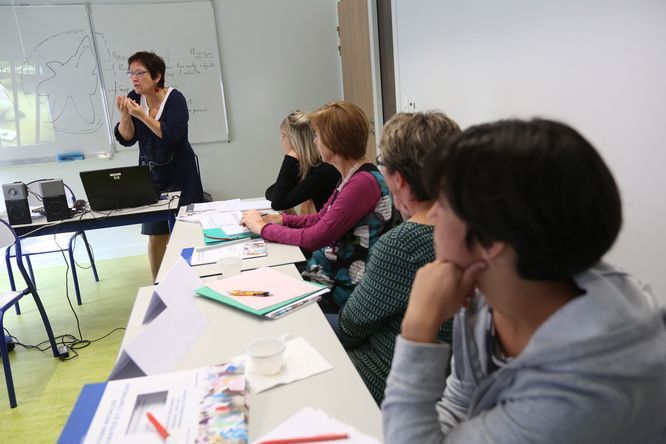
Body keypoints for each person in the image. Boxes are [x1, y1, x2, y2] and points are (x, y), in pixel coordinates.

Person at [382, 119, 666, 443]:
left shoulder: (580, 392)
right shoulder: (489, 289)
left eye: (443, 205)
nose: (432, 215)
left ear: (490, 241)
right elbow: (461, 402)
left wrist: (419, 328)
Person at [332, 111, 460, 405]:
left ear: (398, 178)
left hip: (387, 376)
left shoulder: (403, 244)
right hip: (446, 379)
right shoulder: (472, 228)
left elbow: (351, 327)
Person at [242, 101, 392, 311]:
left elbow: (315, 237)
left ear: (333, 141)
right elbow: (321, 218)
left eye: (317, 135)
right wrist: (282, 219)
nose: (314, 141)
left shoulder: (362, 183)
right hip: (329, 271)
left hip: (340, 287)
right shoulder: (351, 177)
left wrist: (262, 228)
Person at [114, 51, 204, 281]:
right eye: (131, 73)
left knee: (186, 233)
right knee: (155, 235)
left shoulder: (174, 99)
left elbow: (173, 137)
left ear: (156, 76)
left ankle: (192, 280)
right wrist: (125, 115)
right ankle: (159, 284)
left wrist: (142, 116)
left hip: (181, 174)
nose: (134, 78)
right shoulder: (134, 98)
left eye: (140, 73)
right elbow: (126, 138)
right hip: (151, 174)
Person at [265, 111, 340, 213]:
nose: (280, 140)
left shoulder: (321, 171)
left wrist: (290, 158)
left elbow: (277, 202)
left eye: (283, 135)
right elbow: (270, 192)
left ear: (294, 140)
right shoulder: (312, 165)